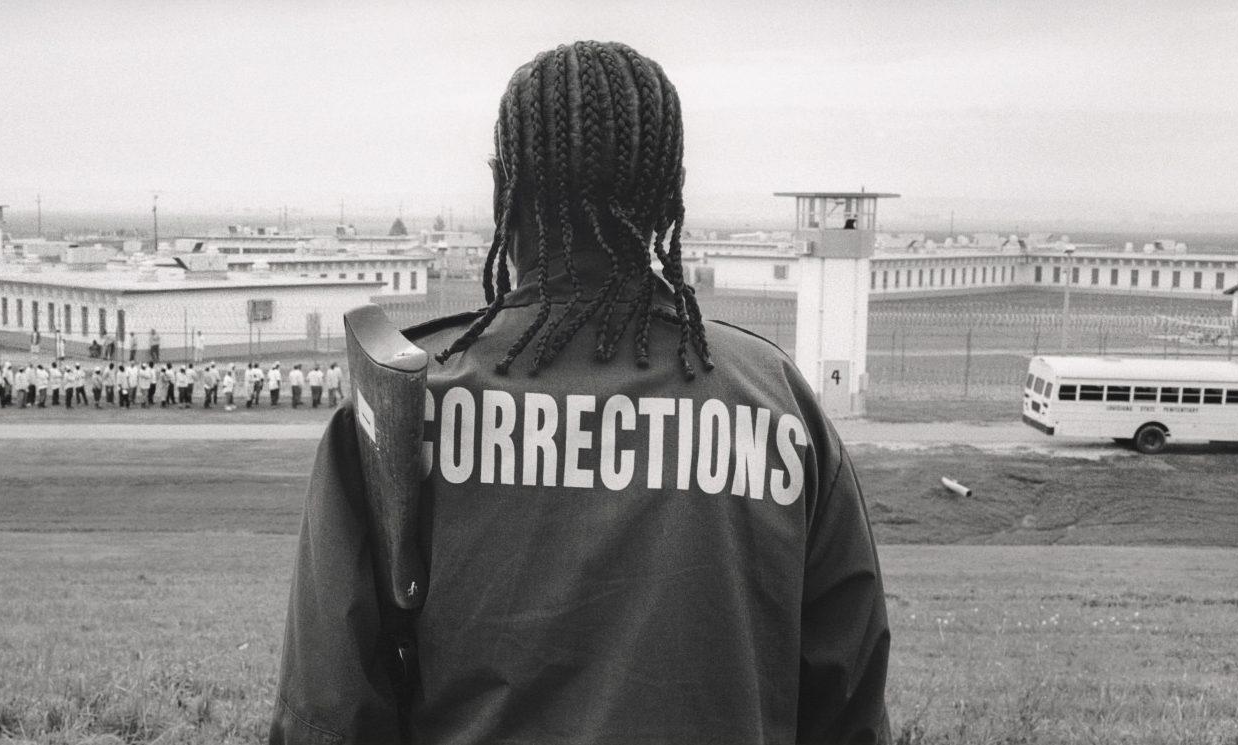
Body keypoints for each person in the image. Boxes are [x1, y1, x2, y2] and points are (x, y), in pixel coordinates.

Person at [270, 41, 889, 745]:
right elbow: (848, 705)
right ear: (669, 192)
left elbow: (327, 714)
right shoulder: (779, 406)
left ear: (505, 188)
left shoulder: (401, 408)